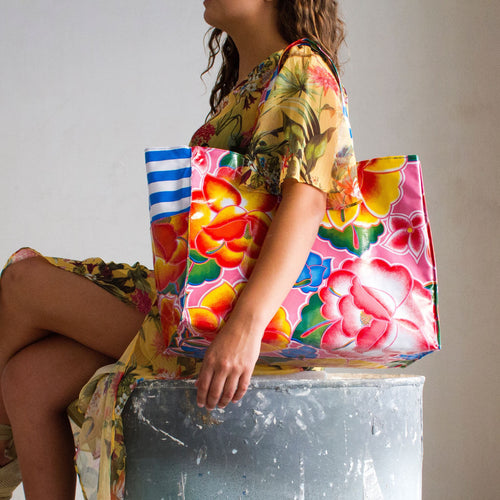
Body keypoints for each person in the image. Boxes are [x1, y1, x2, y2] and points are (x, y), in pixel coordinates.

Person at [0, 0, 359, 499]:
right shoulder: (257, 80)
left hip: (230, 329)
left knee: (23, 283)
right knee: (29, 380)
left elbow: (308, 200)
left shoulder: (303, 69)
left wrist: (243, 331)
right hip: (197, 310)